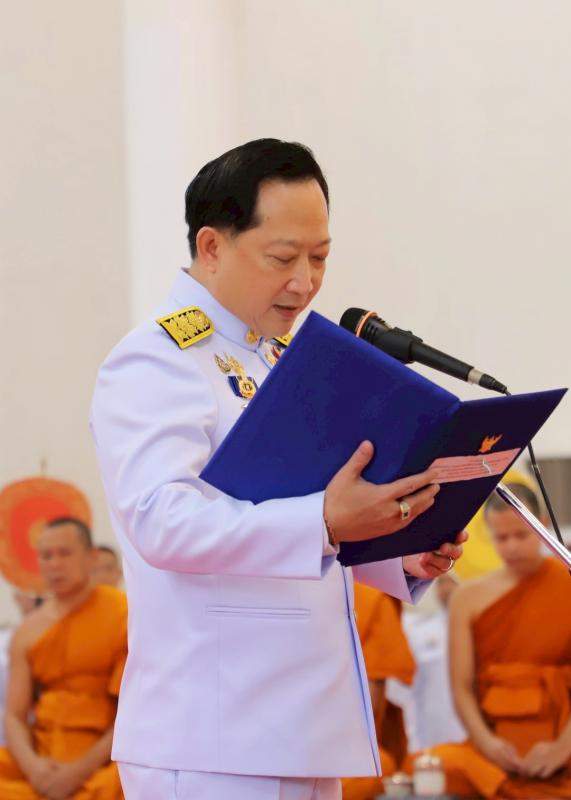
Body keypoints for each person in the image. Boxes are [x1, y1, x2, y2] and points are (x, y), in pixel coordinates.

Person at [90, 138, 466, 800]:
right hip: (213, 733)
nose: (306, 281)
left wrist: (397, 548)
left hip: (301, 724)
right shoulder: (156, 358)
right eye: (283, 257)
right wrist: (326, 520)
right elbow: (162, 521)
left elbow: (292, 519)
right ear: (212, 247)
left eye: (319, 258)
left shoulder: (277, 357)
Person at [416, 483, 571, 798]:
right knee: (433, 766)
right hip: (495, 743)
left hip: (561, 738)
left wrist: (562, 748)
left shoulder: (565, 584)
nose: (511, 547)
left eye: (521, 535)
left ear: (542, 525)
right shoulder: (467, 598)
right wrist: (487, 744)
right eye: (502, 538)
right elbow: (461, 686)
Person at [0, 517, 127, 800]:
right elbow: (14, 716)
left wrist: (77, 772)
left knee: (129, 781)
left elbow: (131, 713)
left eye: (64, 553)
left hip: (103, 758)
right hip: (44, 755)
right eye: (46, 556)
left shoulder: (122, 613)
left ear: (91, 557)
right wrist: (35, 769)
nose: (54, 564)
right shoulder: (28, 630)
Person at [341, 584, 415, 800]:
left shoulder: (367, 598)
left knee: (377, 767)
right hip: (278, 737)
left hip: (341, 738)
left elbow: (369, 704)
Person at [386, 572, 466, 752]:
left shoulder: (484, 631)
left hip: (478, 740)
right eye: (441, 583)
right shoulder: (416, 631)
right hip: (431, 742)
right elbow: (400, 693)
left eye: (453, 582)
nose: (447, 589)